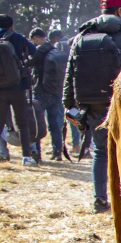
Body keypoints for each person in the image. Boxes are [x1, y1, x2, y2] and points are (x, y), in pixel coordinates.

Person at [64, 0, 121, 213]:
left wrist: (69, 105)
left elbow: (70, 74)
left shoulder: (81, 37)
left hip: (92, 103)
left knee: (100, 151)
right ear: (119, 11)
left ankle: (100, 199)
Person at [0, 13, 39, 166]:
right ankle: (26, 157)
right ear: (11, 26)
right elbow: (33, 51)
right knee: (22, 122)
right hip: (17, 86)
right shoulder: (18, 37)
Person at [29, 27, 69, 160]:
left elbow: (28, 64)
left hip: (41, 91)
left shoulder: (39, 50)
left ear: (35, 38)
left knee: (37, 122)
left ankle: (36, 153)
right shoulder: (54, 49)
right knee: (54, 123)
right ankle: (57, 151)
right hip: (56, 90)